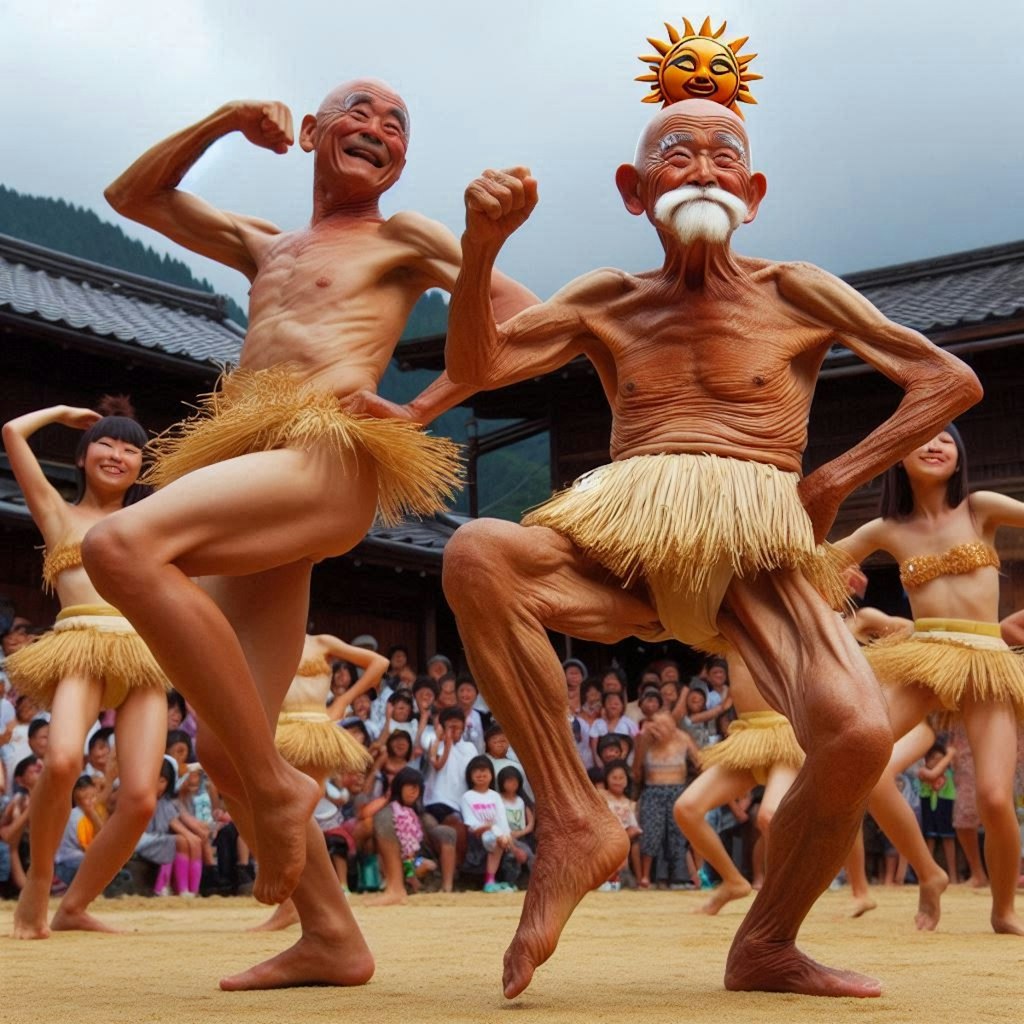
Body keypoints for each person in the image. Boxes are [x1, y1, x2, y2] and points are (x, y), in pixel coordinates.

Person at [438, 83, 980, 995]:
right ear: (632, 189)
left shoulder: (796, 290)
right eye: (675, 154)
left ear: (755, 190)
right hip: (625, 550)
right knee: (476, 553)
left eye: (723, 153)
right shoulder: (608, 298)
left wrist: (836, 475)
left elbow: (946, 378)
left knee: (851, 738)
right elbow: (478, 367)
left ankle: (766, 942)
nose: (701, 167)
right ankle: (573, 818)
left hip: (760, 555)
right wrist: (483, 244)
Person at [86, 77, 536, 990]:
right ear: (313, 135)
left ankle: (283, 785)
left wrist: (421, 409)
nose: (377, 129)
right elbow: (131, 197)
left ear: (402, 159)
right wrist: (220, 120)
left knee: (116, 547)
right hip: (248, 463)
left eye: (396, 125)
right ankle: (333, 936)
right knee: (219, 743)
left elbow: (526, 321)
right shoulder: (265, 244)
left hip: (327, 457)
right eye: (358, 114)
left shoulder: (405, 236)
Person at [837, 427, 1024, 936]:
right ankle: (929, 873)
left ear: (960, 453)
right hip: (923, 661)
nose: (935, 444)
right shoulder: (887, 529)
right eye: (921, 438)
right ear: (898, 460)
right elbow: (817, 566)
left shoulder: (980, 507)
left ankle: (1003, 908)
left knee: (993, 796)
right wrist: (840, 580)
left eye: (947, 438)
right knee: (866, 764)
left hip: (985, 661)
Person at [3, 400, 169, 939]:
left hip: (142, 654)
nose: (118, 454)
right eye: (106, 442)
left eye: (131, 447)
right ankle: (39, 882)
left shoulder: (150, 520)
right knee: (63, 761)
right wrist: (62, 412)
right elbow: (11, 431)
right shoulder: (58, 514)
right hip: (80, 645)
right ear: (81, 457)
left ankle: (74, 907)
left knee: (142, 797)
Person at [674, 657, 803, 913]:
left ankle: (787, 896)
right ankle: (733, 881)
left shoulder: (783, 622)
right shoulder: (728, 625)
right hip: (746, 739)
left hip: (786, 734)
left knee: (770, 816)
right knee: (686, 808)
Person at [633, 710, 700, 889]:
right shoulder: (646, 739)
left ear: (672, 726)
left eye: (663, 724)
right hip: (652, 790)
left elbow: (700, 762)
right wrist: (643, 742)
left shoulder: (682, 738)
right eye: (656, 724)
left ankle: (679, 876)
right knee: (650, 834)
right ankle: (646, 876)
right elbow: (636, 773)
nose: (659, 728)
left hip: (677, 789)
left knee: (677, 834)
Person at [461, 755, 513, 892]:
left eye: (485, 771)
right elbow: (471, 823)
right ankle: (490, 880)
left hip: (495, 833)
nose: (481, 774)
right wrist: (491, 828)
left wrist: (506, 836)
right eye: (476, 771)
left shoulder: (495, 796)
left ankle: (494, 880)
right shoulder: (468, 796)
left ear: (491, 774)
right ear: (470, 775)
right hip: (477, 834)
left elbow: (502, 819)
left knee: (500, 840)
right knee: (493, 838)